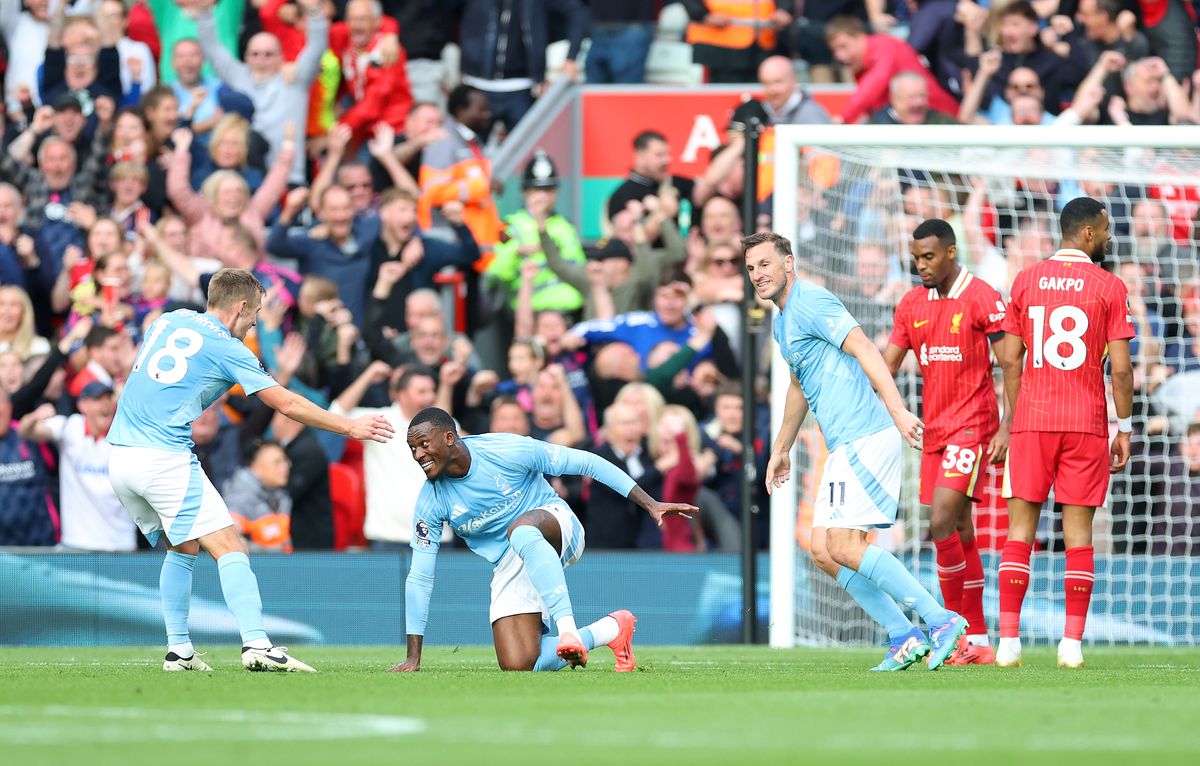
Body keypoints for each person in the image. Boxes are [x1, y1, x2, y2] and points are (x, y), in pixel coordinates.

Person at [106, 268, 394, 673]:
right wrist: (349, 426)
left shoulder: (167, 320)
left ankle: (179, 652)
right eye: (255, 315)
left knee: (182, 546)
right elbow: (287, 404)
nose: (254, 325)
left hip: (119, 455)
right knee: (231, 547)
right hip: (162, 456)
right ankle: (257, 644)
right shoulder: (228, 347)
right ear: (240, 307)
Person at [747, 230, 967, 671]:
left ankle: (940, 620)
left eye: (766, 264)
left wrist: (899, 410)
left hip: (866, 435)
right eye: (751, 268)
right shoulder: (783, 321)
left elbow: (865, 347)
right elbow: (797, 384)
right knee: (823, 550)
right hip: (843, 444)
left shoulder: (811, 300)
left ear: (789, 263)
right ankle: (903, 635)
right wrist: (782, 448)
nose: (758, 275)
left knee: (846, 546)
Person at [391, 406, 697, 672]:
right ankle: (611, 629)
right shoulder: (430, 501)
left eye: (422, 444)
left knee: (521, 530)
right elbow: (419, 577)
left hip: (557, 526)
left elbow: (587, 463)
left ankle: (567, 630)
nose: (418, 455)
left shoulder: (506, 450)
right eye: (413, 449)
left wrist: (650, 503)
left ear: (448, 438)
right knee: (520, 662)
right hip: (511, 560)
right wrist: (413, 656)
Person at [995, 197, 1135, 670]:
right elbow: (1120, 370)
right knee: (1078, 535)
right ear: (1089, 234)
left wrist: (1020, 413)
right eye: (1107, 229)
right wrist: (1125, 427)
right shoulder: (1109, 286)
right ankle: (1071, 645)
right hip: (1086, 422)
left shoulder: (1025, 280)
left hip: (1033, 421)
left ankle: (1009, 641)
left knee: (1020, 531)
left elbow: (1009, 358)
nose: (1110, 237)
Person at [882, 219, 1009, 665]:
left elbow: (1012, 361)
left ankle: (952, 632)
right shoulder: (912, 303)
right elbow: (887, 367)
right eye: (916, 257)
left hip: (971, 428)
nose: (920, 265)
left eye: (929, 257)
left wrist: (1008, 427)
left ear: (952, 252)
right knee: (959, 530)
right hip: (933, 433)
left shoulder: (982, 297)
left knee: (938, 523)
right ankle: (977, 640)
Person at [19, 381, 137, 552]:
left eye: (108, 398)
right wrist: (36, 416)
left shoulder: (127, 435)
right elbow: (25, 431)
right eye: (97, 399)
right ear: (83, 405)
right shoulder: (70, 426)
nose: (105, 404)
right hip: (76, 544)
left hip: (121, 544)